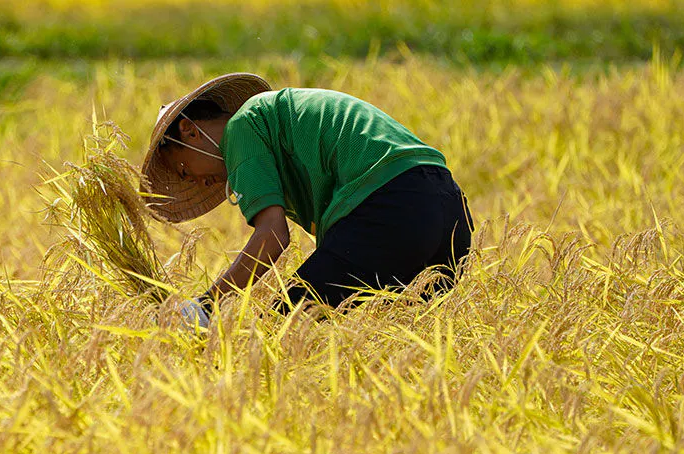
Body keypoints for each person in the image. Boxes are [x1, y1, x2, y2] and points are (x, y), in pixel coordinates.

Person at [141, 73, 475, 327]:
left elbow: (273, 236)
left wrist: (206, 307)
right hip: (450, 212)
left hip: (392, 207)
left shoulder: (241, 128)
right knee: (392, 343)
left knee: (277, 337)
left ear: (189, 131)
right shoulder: (273, 120)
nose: (200, 181)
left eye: (184, 171)